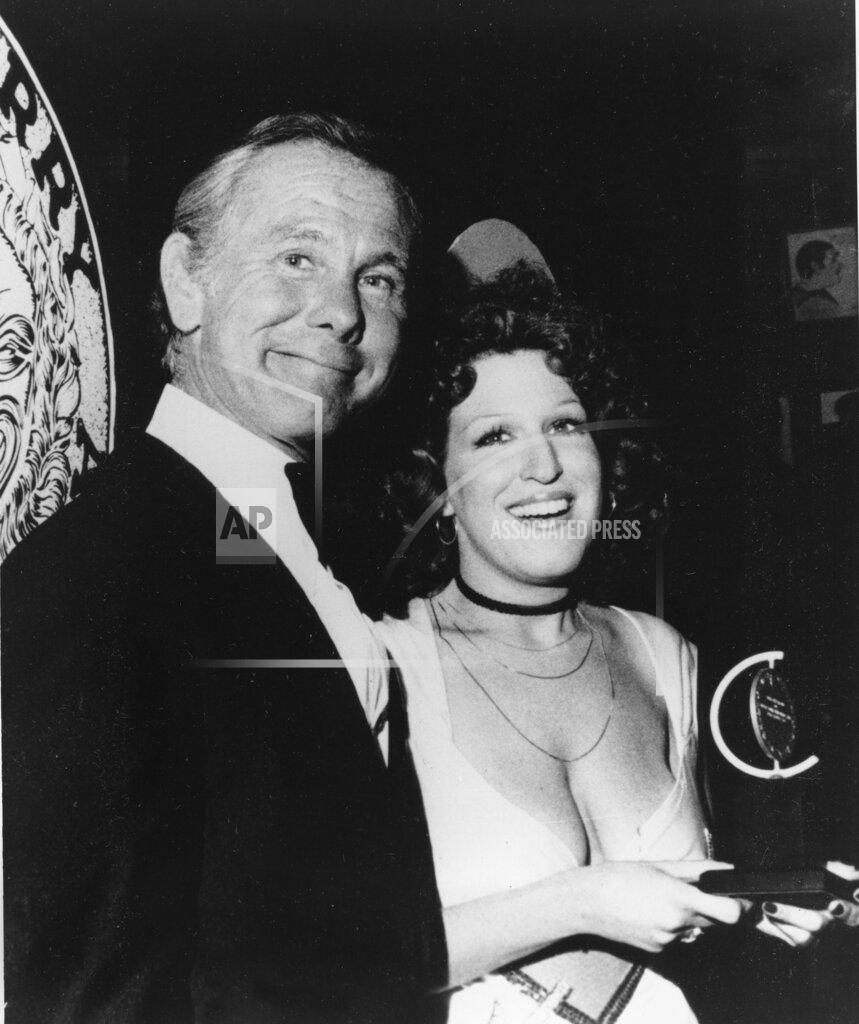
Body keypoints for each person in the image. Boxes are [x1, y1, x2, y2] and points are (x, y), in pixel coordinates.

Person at [1, 113, 445, 1023]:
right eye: (296, 257)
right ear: (185, 282)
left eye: (379, 277)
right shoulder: (107, 572)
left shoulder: (258, 532)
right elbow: (89, 988)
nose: (343, 311)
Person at [376, 264, 843, 1023]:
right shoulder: (384, 664)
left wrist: (758, 907)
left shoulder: (661, 653)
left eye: (566, 425)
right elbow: (311, 963)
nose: (543, 467)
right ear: (438, 488)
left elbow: (679, 907)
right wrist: (579, 903)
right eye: (494, 436)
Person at [792, 238, 845, 320]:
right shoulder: (819, 305)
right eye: (833, 260)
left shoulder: (799, 293)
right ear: (815, 266)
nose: (841, 265)